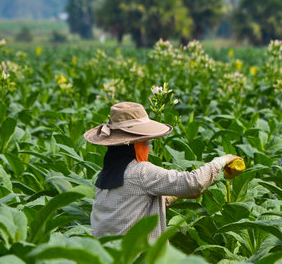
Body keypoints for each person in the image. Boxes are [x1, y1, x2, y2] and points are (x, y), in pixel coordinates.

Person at [84, 102, 239, 239]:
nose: (148, 148)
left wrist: (174, 195)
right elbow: (194, 182)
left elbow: (132, 206)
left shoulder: (104, 175)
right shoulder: (141, 172)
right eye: (146, 143)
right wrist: (222, 161)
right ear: (134, 145)